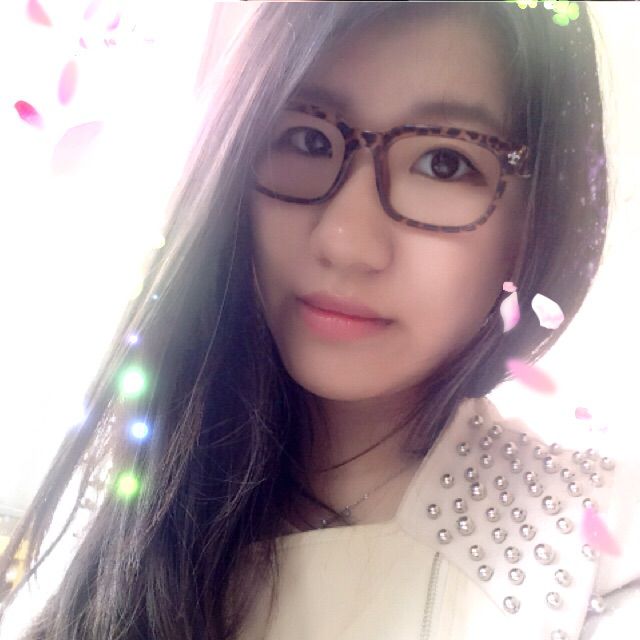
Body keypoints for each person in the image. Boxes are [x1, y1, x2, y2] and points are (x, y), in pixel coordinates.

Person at [0, 2, 638, 639]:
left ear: (533, 219)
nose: (344, 241)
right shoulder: (129, 475)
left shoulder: (597, 544)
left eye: (444, 161)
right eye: (306, 138)